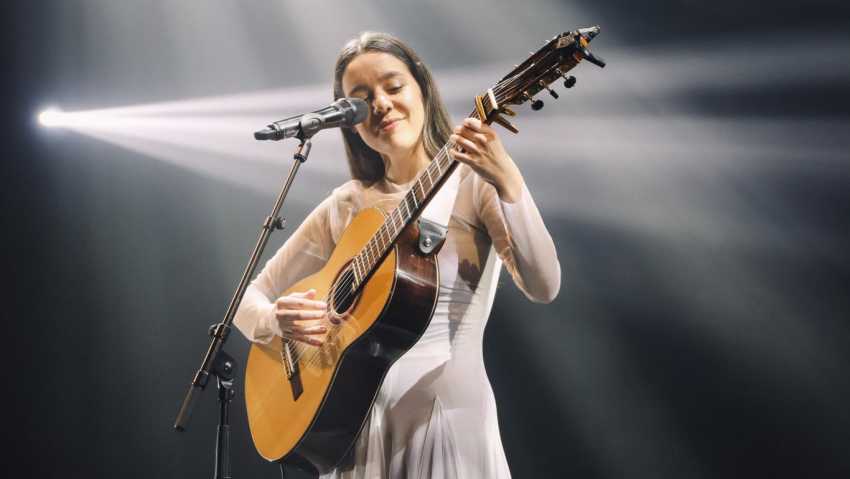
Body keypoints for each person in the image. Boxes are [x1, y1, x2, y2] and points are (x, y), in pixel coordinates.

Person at [234, 31, 561, 478]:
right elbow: (247, 301)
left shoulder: (473, 182)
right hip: (355, 433)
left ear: (422, 87)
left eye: (393, 86)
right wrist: (276, 321)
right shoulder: (346, 205)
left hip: (445, 419)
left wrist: (509, 182)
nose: (382, 105)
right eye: (362, 99)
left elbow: (544, 285)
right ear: (349, 119)